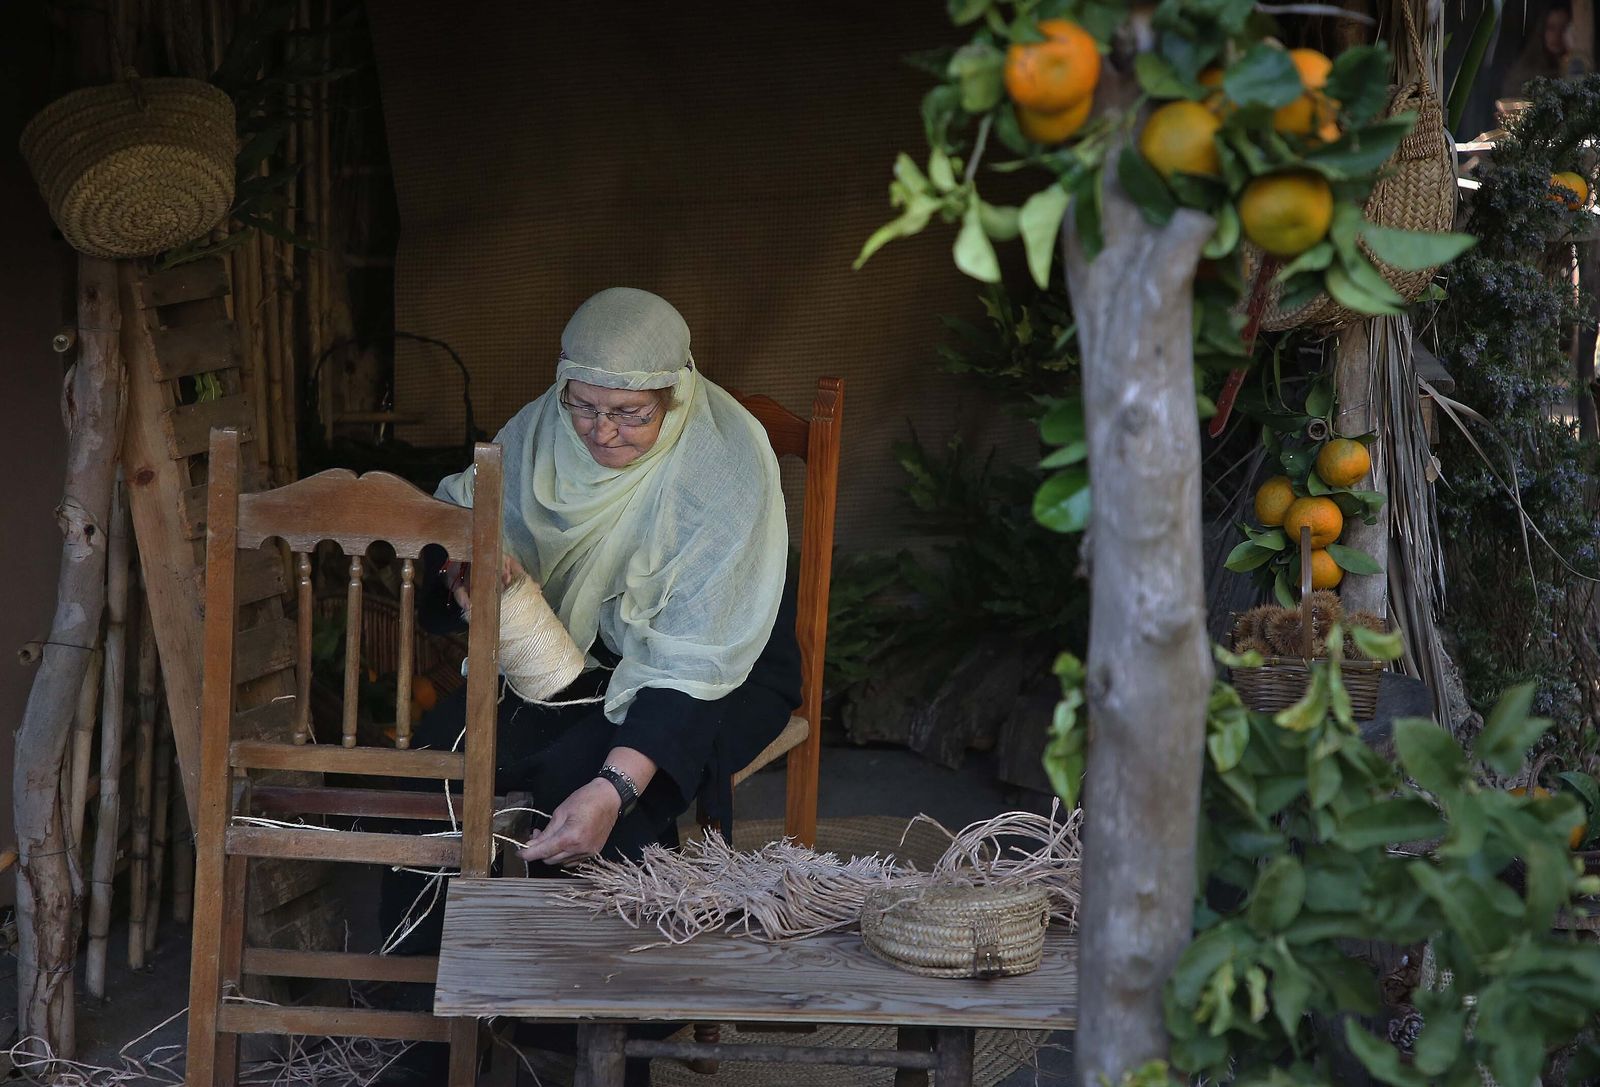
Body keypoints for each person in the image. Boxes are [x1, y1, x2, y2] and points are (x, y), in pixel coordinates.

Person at [375, 287, 800, 1084]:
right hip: (572, 658)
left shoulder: (723, 467)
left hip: (719, 669)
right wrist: (465, 562)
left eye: (630, 414)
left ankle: (597, 1048)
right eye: (586, 406)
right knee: (442, 764)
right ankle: (431, 1029)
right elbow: (455, 517)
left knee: (585, 778)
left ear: (673, 398)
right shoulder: (538, 432)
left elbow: (694, 663)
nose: (603, 430)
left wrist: (615, 783)